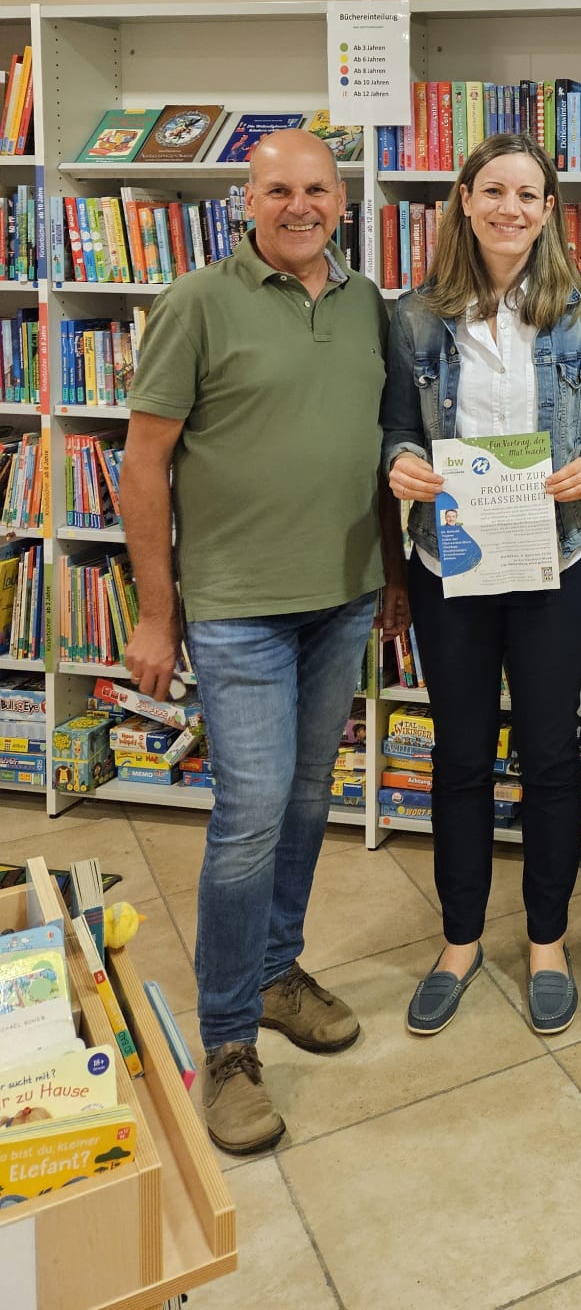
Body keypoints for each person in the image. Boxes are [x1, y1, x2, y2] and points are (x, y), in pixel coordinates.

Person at [121, 130, 407, 1157]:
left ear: (343, 200)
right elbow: (143, 464)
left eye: (317, 188)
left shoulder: (370, 304)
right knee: (248, 816)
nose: (300, 205)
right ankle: (230, 1041)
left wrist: (393, 573)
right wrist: (157, 613)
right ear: (246, 200)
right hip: (237, 606)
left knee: (308, 797)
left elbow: (376, 450)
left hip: (343, 598)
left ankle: (280, 971)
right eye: (278, 188)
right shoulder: (198, 301)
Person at [380, 132, 581, 1039]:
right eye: (493, 192)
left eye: (528, 195)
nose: (510, 209)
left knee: (552, 753)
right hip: (450, 562)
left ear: (549, 210)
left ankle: (548, 942)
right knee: (461, 755)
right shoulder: (415, 317)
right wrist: (400, 463)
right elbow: (394, 428)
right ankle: (460, 941)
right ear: (464, 199)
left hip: (555, 558)